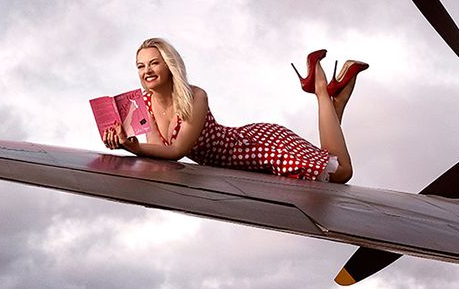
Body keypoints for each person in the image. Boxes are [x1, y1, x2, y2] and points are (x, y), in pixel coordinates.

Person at [101, 38, 367, 183]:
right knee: (327, 161)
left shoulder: (195, 96)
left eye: (154, 63)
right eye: (140, 66)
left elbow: (177, 151)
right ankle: (335, 100)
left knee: (341, 173)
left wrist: (131, 148)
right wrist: (126, 142)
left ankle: (319, 88)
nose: (146, 71)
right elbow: (161, 153)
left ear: (169, 66)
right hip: (242, 157)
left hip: (254, 147)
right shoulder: (144, 104)